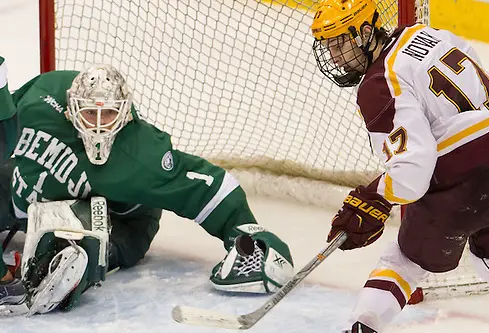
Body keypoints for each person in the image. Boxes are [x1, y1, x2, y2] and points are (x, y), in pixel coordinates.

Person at [0, 58, 294, 315]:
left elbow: (206, 187)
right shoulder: (40, 97)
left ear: (125, 112)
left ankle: (68, 271)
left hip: (120, 223)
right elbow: (5, 121)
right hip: (27, 194)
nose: (99, 125)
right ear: (70, 106)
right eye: (90, 113)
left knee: (79, 242)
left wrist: (245, 235)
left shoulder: (139, 154)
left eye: (109, 114)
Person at [311, 0, 489, 332]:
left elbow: (413, 171)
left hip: (463, 174)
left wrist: (374, 197)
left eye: (340, 41)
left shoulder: (378, 83)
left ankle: (363, 326)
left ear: (366, 32)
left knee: (405, 262)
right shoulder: (427, 34)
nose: (335, 55)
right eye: (327, 44)